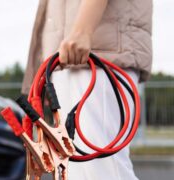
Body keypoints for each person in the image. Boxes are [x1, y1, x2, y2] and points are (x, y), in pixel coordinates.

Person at [22, 0, 153, 179]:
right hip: (67, 55)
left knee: (101, 170)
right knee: (77, 171)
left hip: (100, 50)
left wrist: (82, 30)